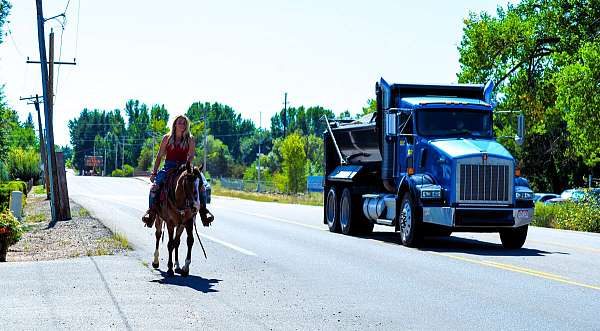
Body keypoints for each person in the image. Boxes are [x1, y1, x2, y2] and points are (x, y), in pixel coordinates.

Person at [142, 115, 197, 227]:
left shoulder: (190, 139)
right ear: (175, 124)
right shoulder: (167, 138)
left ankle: (203, 211)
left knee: (200, 185)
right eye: (180, 122)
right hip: (169, 166)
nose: (182, 125)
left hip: (183, 167)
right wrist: (154, 172)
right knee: (154, 188)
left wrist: (188, 165)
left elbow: (191, 156)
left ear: (187, 125)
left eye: (184, 123)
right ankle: (151, 212)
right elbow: (159, 156)